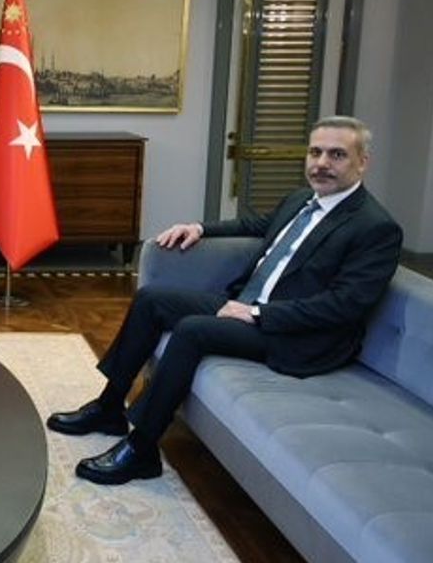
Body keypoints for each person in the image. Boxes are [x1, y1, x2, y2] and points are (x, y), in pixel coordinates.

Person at [47, 116, 402, 485]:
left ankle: (142, 449)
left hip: (295, 334)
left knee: (193, 330)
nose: (322, 163)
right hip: (246, 305)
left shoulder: (375, 227)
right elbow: (254, 226)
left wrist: (258, 313)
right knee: (151, 300)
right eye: (315, 152)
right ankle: (109, 407)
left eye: (337, 155)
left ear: (363, 162)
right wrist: (199, 228)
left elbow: (345, 305)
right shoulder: (302, 200)